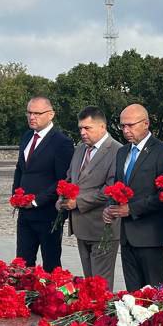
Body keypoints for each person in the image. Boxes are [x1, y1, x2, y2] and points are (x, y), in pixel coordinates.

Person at [105, 103, 163, 290]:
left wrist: (131, 209)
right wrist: (110, 206)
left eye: (130, 125)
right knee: (133, 293)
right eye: (122, 126)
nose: (126, 130)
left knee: (156, 293)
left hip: (150, 234)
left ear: (146, 123)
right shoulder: (122, 152)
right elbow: (118, 186)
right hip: (127, 235)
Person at [58, 106, 120, 289]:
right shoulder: (80, 150)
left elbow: (110, 188)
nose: (82, 133)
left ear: (102, 127)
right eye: (80, 128)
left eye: (87, 128)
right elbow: (69, 178)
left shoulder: (117, 150)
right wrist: (62, 198)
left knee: (101, 286)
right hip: (81, 227)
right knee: (89, 283)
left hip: (102, 227)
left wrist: (77, 202)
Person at [12, 96, 74, 269]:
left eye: (37, 113)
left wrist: (36, 201)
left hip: (48, 213)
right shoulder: (27, 137)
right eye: (29, 113)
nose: (32, 117)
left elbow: (63, 180)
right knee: (22, 264)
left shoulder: (62, 142)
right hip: (24, 213)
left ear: (51, 114)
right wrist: (16, 195)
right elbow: (20, 169)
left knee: (51, 265)